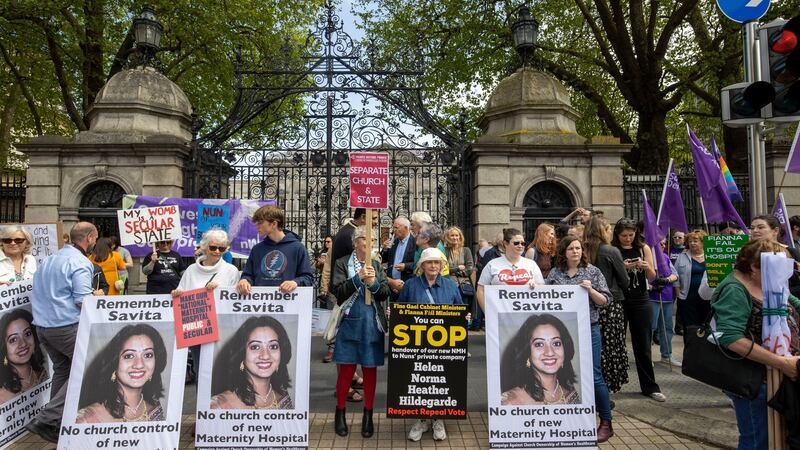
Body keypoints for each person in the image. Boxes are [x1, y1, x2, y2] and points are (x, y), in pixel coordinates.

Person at [710, 239, 800, 450]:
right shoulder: (735, 289)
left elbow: (793, 304)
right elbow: (730, 337)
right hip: (753, 382)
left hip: (777, 380)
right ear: (753, 267)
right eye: (777, 268)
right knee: (757, 442)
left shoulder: (769, 284)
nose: (782, 275)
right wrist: (781, 362)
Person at [26, 222, 101, 442]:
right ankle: (48, 418)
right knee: (89, 368)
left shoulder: (49, 259)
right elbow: (81, 300)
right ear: (89, 238)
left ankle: (57, 420)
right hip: (66, 327)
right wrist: (96, 298)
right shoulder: (80, 263)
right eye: (95, 238)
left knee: (64, 371)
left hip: (43, 328)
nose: (95, 242)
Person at [545, 236, 614, 442]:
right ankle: (569, 419)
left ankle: (606, 422)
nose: (575, 251)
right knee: (563, 374)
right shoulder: (556, 273)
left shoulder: (593, 271)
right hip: (562, 331)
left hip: (588, 329)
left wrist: (590, 290)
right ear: (563, 252)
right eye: (571, 248)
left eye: (578, 248)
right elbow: (543, 297)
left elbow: (605, 301)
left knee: (594, 375)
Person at [330, 226, 390, 438]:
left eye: (372, 238)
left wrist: (373, 283)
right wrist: (357, 279)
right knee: (346, 371)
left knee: (370, 371)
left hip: (371, 325)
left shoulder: (376, 265)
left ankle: (368, 415)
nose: (369, 242)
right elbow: (337, 292)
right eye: (365, 238)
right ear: (356, 242)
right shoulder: (341, 263)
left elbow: (384, 294)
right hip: (349, 323)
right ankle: (340, 413)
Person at [399, 247, 462, 442]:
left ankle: (437, 418)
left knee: (440, 383)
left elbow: (459, 309)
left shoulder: (450, 286)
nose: (433, 265)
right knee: (419, 383)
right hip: (417, 344)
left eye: (437, 262)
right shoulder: (410, 285)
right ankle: (421, 419)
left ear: (442, 265)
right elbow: (402, 310)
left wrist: (464, 317)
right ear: (422, 265)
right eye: (429, 262)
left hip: (443, 346)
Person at [172, 230, 240, 384]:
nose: (217, 252)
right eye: (213, 248)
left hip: (221, 329)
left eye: (221, 249)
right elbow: (182, 293)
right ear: (204, 247)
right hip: (198, 329)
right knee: (200, 371)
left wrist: (220, 291)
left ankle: (220, 407)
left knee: (221, 370)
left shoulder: (231, 271)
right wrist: (177, 294)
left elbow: (235, 301)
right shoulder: (190, 270)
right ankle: (201, 407)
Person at [611, 218, 665, 402]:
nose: (627, 239)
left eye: (631, 235)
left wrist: (645, 266)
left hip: (641, 298)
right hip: (620, 299)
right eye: (624, 236)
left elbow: (652, 277)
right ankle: (612, 384)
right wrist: (623, 268)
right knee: (616, 343)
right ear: (617, 235)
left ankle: (650, 386)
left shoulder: (644, 248)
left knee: (643, 345)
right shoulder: (613, 250)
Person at [76, 324, 167, 422]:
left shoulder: (154, 409)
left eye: (148, 355)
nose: (139, 365)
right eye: (129, 356)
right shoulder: (86, 419)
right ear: (114, 362)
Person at [583, 217, 629, 395]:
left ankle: (591, 388)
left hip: (587, 305)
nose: (611, 233)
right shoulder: (611, 251)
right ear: (603, 231)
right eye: (609, 229)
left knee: (592, 348)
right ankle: (607, 387)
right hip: (610, 305)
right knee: (610, 347)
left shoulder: (581, 249)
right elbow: (624, 281)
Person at [210, 316, 293, 409]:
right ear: (241, 353)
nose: (265, 356)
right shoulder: (219, 406)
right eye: (255, 347)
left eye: (273, 346)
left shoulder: (282, 396)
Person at [500, 314, 580, 405]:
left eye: (556, 343)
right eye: (539, 344)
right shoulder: (511, 401)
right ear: (527, 352)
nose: (550, 352)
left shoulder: (570, 394)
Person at [237, 205, 314, 295]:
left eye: (260, 222)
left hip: (287, 303)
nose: (257, 226)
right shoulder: (257, 249)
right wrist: (244, 281)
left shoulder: (298, 248)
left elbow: (308, 278)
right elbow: (248, 274)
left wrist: (295, 282)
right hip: (260, 303)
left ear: (274, 224)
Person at [476, 228, 544, 314]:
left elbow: (542, 288)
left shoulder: (531, 264)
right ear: (505, 244)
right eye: (516, 243)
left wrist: (535, 286)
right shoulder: (492, 264)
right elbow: (480, 290)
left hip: (527, 313)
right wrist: (488, 312)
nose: (520, 246)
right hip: (501, 315)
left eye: (523, 243)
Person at [0, 309, 49, 404]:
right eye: (13, 339)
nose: (23, 344)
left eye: (27, 334)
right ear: (3, 348)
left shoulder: (42, 374)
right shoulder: (2, 394)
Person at [750, 214, 800, 297]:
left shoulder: (790, 252)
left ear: (775, 231)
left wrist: (782, 293)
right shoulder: (747, 253)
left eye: (760, 227)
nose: (755, 230)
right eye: (752, 228)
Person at [649, 239, 680, 366]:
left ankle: (666, 355)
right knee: (651, 327)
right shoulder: (648, 257)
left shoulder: (666, 257)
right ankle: (647, 356)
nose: (662, 246)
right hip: (652, 297)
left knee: (667, 327)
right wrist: (652, 286)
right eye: (659, 244)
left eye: (663, 244)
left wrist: (666, 280)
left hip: (667, 297)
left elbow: (675, 275)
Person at [674, 230, 709, 333]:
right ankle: (690, 348)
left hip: (707, 298)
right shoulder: (682, 257)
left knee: (706, 328)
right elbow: (676, 276)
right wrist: (678, 292)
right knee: (690, 328)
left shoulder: (711, 256)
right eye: (690, 241)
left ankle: (704, 349)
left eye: (695, 240)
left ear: (703, 242)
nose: (692, 243)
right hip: (688, 299)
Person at [381, 217, 416, 299]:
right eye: (393, 227)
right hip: (392, 285)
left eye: (396, 227)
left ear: (406, 228)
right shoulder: (394, 241)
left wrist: (405, 266)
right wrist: (385, 249)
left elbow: (418, 264)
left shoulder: (415, 242)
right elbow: (384, 259)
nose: (394, 230)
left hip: (407, 284)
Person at [444, 226, 473, 306]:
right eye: (452, 235)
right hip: (448, 284)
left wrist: (454, 272)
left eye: (457, 235)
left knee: (464, 309)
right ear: (447, 237)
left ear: (460, 237)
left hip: (463, 285)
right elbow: (443, 269)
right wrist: (457, 269)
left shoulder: (466, 250)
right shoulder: (444, 251)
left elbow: (469, 269)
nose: (455, 238)